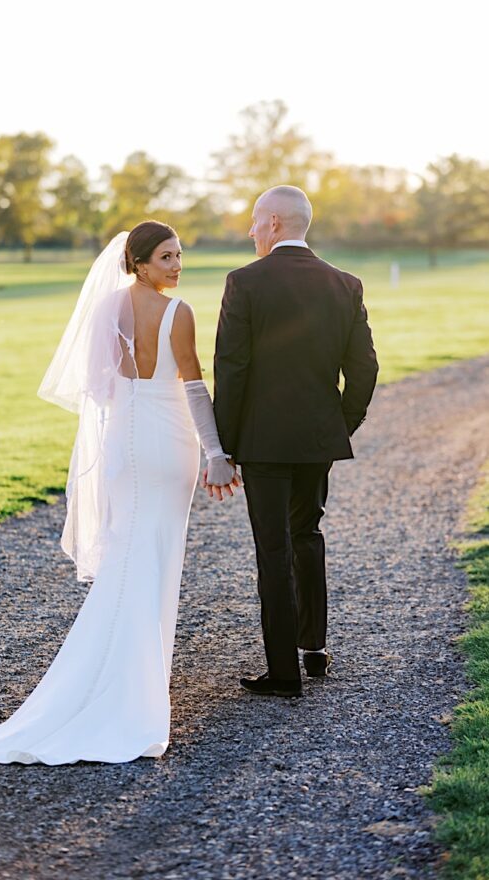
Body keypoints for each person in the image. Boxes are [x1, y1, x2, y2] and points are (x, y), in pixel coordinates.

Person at [0, 221, 238, 765]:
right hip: (169, 444)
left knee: (133, 556)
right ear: (139, 262)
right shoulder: (179, 311)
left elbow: (104, 389)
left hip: (125, 439)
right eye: (166, 257)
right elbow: (193, 383)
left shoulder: (107, 310)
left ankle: (129, 683)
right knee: (154, 560)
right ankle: (130, 697)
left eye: (179, 256)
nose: (176, 266)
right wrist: (215, 452)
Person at [212, 186, 379, 698]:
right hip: (315, 439)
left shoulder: (244, 282)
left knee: (274, 548)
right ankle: (315, 650)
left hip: (263, 443)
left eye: (256, 222)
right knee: (307, 534)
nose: (251, 231)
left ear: (277, 224)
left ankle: (283, 673)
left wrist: (225, 445)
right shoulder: (344, 284)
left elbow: (232, 369)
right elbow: (365, 368)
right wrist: (341, 425)